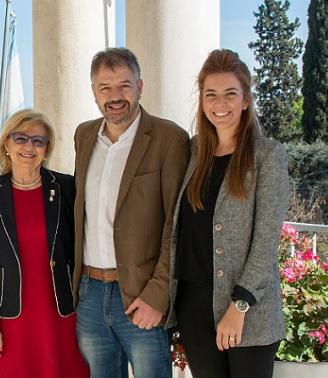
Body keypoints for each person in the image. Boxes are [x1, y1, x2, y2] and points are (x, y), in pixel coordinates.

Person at [168, 49, 288, 378]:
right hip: (194, 306)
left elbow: (266, 241)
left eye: (230, 93)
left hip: (248, 311)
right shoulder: (193, 152)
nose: (220, 104)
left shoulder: (267, 156)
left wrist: (239, 306)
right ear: (203, 101)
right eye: (211, 94)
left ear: (246, 99)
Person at [72, 47, 190, 378]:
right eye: (105, 87)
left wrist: (158, 294)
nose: (115, 96)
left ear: (140, 86)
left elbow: (176, 225)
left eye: (124, 85)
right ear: (93, 92)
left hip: (141, 295)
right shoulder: (84, 136)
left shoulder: (169, 139)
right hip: (90, 294)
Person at [0, 109, 90, 377]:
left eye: (38, 140)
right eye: (20, 138)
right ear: (7, 145)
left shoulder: (67, 189)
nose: (29, 146)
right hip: (10, 319)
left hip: (62, 314)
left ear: (47, 149)